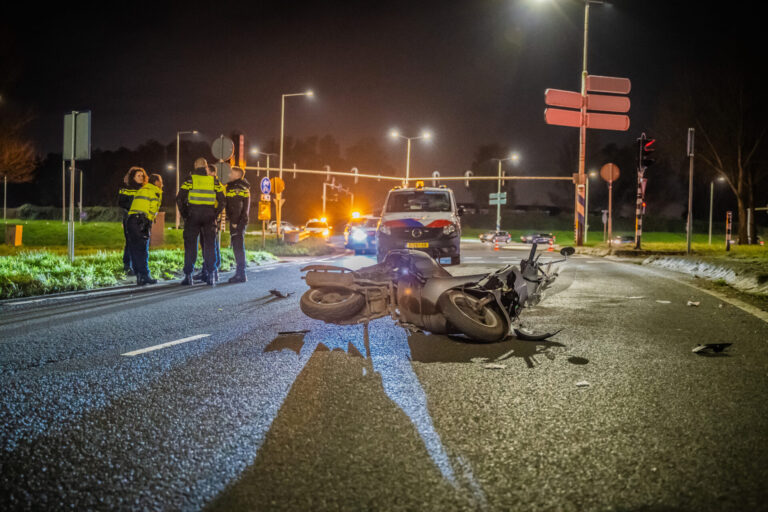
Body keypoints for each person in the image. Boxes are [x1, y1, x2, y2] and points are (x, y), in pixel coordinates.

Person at [176, 157, 226, 286]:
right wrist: (215, 213)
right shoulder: (214, 181)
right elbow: (223, 200)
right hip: (209, 216)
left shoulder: (190, 179)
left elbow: (179, 198)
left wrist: (185, 214)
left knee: (190, 247)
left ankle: (188, 276)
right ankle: (211, 276)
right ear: (205, 167)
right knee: (210, 247)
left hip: (193, 215)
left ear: (195, 166)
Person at [125, 173, 163, 285]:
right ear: (156, 182)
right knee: (143, 250)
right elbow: (152, 210)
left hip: (131, 220)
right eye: (161, 181)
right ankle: (145, 275)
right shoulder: (155, 191)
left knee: (135, 249)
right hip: (141, 221)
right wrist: (148, 224)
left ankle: (139, 276)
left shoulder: (142, 189)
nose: (162, 184)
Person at [118, 167, 147, 275]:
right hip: (129, 218)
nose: (141, 178)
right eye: (138, 176)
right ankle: (127, 265)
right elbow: (121, 202)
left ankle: (139, 266)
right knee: (130, 242)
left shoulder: (145, 189)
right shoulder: (126, 189)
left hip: (143, 219)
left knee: (141, 243)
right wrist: (134, 207)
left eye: (142, 176)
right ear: (133, 177)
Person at [225, 166, 251, 283]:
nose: (229, 175)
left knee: (238, 248)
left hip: (238, 222)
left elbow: (237, 207)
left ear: (237, 175)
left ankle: (241, 274)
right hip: (241, 221)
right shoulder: (242, 187)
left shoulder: (236, 188)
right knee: (238, 247)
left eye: (231, 173)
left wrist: (234, 222)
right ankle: (241, 273)